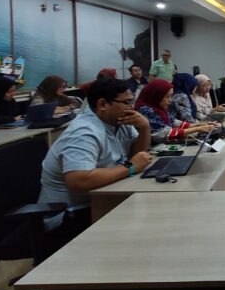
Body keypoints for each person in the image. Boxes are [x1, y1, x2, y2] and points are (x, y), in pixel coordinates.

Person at [38, 79, 153, 209]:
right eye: (127, 102)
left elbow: (137, 155)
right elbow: (78, 180)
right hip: (71, 212)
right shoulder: (84, 131)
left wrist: (144, 128)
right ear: (102, 104)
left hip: (103, 198)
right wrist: (130, 167)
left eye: (132, 101)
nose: (132, 107)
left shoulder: (119, 120)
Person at [135, 79, 215, 144]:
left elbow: (174, 122)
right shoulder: (146, 111)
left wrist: (199, 125)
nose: (170, 100)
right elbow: (163, 134)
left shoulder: (159, 108)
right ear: (156, 95)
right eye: (167, 97)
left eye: (171, 96)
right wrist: (198, 129)